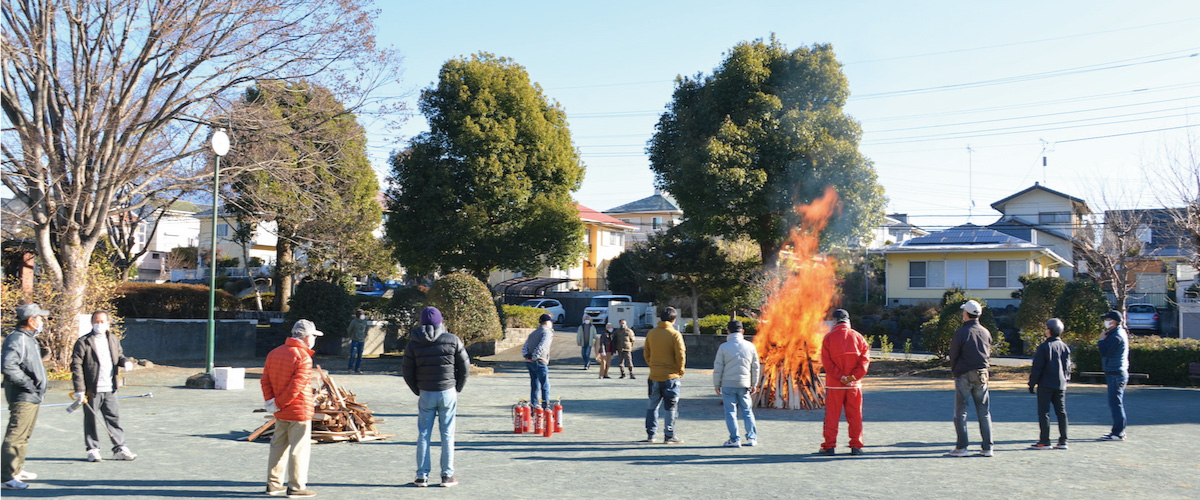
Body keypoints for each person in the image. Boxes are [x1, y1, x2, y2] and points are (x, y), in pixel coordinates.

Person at [402, 307, 469, 488]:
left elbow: (407, 370)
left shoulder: (413, 343)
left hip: (426, 392)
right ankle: (447, 476)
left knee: (424, 433)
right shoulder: (452, 340)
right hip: (447, 391)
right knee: (447, 434)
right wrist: (458, 387)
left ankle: (421, 476)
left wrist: (417, 389)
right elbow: (465, 366)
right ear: (441, 321)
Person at [261, 319, 322, 498]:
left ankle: (273, 484)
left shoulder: (274, 353)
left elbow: (265, 380)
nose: (314, 340)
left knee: (277, 446)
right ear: (307, 337)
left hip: (280, 411)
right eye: (313, 336)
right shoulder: (303, 357)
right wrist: (279, 403)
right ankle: (296, 486)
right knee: (299, 449)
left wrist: (271, 402)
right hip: (299, 410)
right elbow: (296, 387)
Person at [69, 311, 138, 463]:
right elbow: (76, 366)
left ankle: (120, 448)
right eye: (96, 321)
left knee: (114, 418)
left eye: (102, 321)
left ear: (108, 322)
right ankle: (92, 450)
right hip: (91, 390)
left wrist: (125, 362)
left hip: (110, 388)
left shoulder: (113, 339)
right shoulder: (83, 342)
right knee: (91, 420)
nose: (99, 324)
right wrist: (79, 389)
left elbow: (119, 355)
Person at [2, 303, 50, 490]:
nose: (42, 321)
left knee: (24, 435)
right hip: (23, 395)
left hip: (31, 395)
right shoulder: (17, 338)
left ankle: (16, 469)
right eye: (39, 318)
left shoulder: (29, 339)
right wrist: (28, 384)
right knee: (16, 435)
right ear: (30, 321)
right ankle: (6, 475)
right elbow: (8, 365)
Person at [818, 309, 870, 456]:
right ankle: (856, 446)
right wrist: (852, 378)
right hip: (854, 386)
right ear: (848, 320)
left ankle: (829, 446)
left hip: (834, 385)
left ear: (834, 321)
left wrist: (841, 377)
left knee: (832, 417)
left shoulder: (828, 338)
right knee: (855, 416)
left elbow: (827, 364)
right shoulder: (859, 337)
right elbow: (864, 361)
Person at [946, 300, 994, 458]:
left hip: (964, 374)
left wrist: (955, 371)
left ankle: (962, 447)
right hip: (982, 374)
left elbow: (954, 355)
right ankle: (987, 447)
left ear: (966, 314)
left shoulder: (961, 333)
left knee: (961, 412)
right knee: (984, 412)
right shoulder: (986, 332)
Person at [712, 320, 759, 448]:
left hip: (728, 384)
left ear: (728, 331)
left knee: (730, 412)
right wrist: (754, 383)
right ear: (742, 331)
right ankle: (752, 438)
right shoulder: (750, 346)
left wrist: (717, 384)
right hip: (744, 384)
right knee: (747, 411)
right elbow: (755, 367)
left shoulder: (724, 347)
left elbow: (718, 368)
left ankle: (734, 439)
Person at [642, 307, 685, 444]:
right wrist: (680, 370)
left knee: (652, 405)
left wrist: (653, 365)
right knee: (671, 407)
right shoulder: (675, 334)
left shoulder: (651, 333)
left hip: (654, 374)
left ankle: (651, 434)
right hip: (671, 376)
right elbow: (680, 355)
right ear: (674, 319)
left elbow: (646, 353)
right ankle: (669, 435)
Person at [1028, 318, 1071, 450]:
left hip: (1046, 384)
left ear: (1049, 330)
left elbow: (1037, 367)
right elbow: (1068, 367)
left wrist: (1032, 383)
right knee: (1061, 412)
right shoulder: (1065, 347)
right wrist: (1066, 380)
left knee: (1044, 413)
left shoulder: (1044, 347)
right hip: (1061, 384)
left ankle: (1045, 440)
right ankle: (1063, 440)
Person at [1097, 310, 1129, 441]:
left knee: (1115, 403)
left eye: (1108, 319)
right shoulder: (1117, 333)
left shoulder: (1116, 336)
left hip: (1116, 373)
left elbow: (1104, 351)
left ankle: (1118, 432)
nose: (1106, 322)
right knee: (1115, 402)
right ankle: (1118, 431)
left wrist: (1101, 339)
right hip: (1116, 372)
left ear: (1114, 322)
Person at [522, 314, 554, 409]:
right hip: (539, 361)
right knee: (545, 385)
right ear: (547, 322)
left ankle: (534, 405)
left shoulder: (533, 333)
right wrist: (535, 356)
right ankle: (545, 405)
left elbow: (525, 346)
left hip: (529, 362)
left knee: (534, 385)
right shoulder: (547, 332)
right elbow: (543, 346)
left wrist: (527, 356)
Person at [346, 309, 369, 374]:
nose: (363, 316)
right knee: (353, 355)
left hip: (362, 340)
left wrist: (365, 336)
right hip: (355, 340)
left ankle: (357, 368)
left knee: (360, 355)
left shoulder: (365, 322)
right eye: (362, 315)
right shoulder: (354, 322)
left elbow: (366, 329)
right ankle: (350, 368)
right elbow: (349, 330)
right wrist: (351, 336)